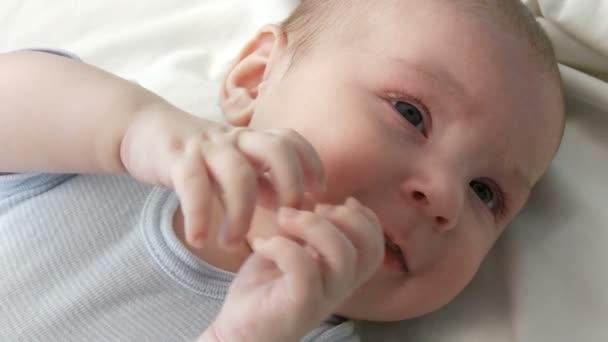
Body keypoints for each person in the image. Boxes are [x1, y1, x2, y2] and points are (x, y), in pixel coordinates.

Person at [0, 0, 565, 340]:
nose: (443, 195)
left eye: (486, 194)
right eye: (411, 113)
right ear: (254, 79)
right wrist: (133, 130)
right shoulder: (105, 156)